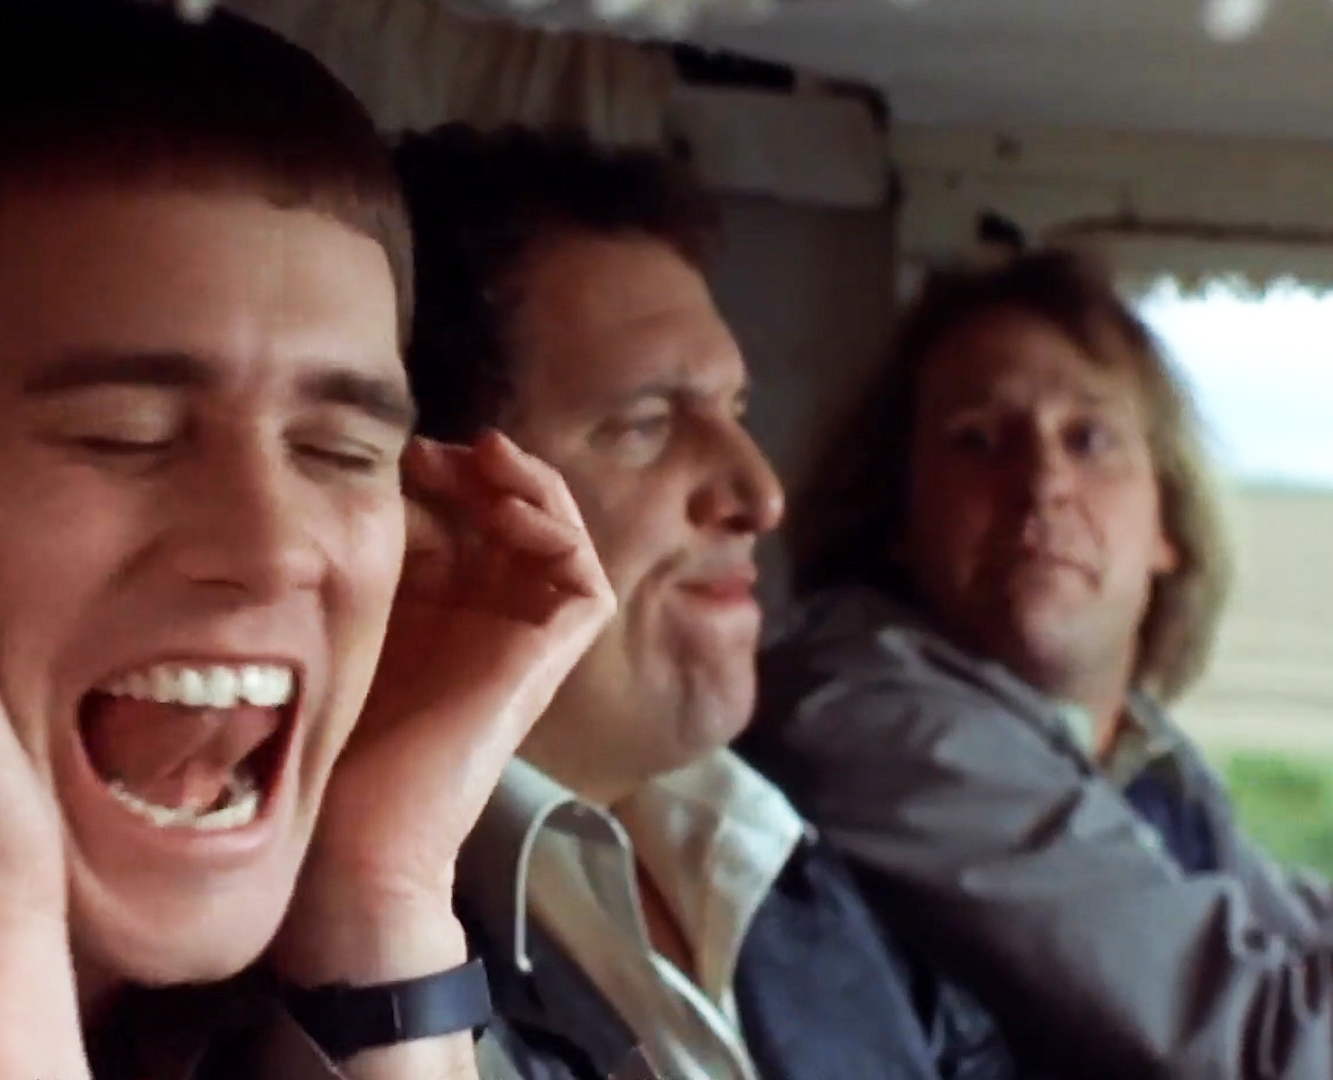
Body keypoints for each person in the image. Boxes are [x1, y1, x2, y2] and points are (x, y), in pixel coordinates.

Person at [0, 5, 617, 1080]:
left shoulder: (296, 943)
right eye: (125, 436)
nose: (272, 550)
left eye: (339, 452)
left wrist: (380, 902)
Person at [395, 123, 1026, 1080]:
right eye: (647, 425)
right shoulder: (353, 957)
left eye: (734, 412)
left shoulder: (770, 844)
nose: (760, 494)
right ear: (435, 500)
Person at [752, 248, 1333, 1078]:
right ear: (899, 517)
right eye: (978, 440)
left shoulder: (1138, 749)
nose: (1041, 481)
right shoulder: (862, 714)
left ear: (1166, 526)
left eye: (1089, 439)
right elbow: (1266, 1041)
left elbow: (1280, 920)